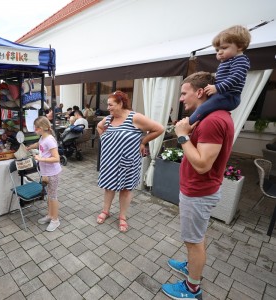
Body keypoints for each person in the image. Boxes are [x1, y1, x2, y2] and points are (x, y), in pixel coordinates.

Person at [161, 72, 234, 299]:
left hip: (199, 192)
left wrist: (182, 136)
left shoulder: (213, 120)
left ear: (200, 92)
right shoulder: (211, 116)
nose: (181, 98)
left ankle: (192, 288)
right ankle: (191, 266)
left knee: (193, 241)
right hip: (200, 191)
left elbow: (202, 164)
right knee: (196, 237)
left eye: (184, 93)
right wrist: (189, 130)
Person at [96, 91, 164, 232]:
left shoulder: (135, 117)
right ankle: (106, 211)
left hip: (128, 161)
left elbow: (159, 129)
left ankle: (122, 217)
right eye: (107, 105)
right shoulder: (109, 119)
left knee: (126, 189)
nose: (108, 108)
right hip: (109, 161)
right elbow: (99, 126)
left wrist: (143, 141)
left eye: (111, 105)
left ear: (121, 103)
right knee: (109, 187)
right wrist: (104, 138)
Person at [189, 25, 251, 125]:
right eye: (217, 50)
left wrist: (217, 87)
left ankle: (189, 123)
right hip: (223, 94)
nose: (220, 52)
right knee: (204, 105)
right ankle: (197, 123)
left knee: (204, 107)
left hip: (229, 96)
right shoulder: (229, 60)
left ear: (239, 46)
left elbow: (236, 77)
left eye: (224, 48)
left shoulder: (240, 60)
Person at [26, 116, 62, 232]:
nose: (34, 130)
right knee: (49, 196)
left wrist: (41, 159)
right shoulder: (43, 138)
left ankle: (55, 220)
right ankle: (50, 215)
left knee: (53, 196)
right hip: (46, 172)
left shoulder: (50, 140)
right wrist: (30, 147)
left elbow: (56, 158)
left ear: (41, 128)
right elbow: (39, 144)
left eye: (36, 128)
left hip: (52, 173)